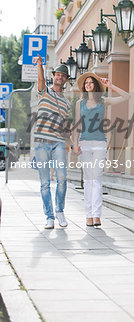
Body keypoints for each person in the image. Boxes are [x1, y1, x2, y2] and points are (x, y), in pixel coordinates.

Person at [72, 72, 129, 227]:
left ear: (95, 86)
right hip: (84, 144)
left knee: (96, 180)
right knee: (88, 181)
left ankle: (96, 215)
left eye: (91, 82)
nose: (88, 85)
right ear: (84, 87)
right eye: (86, 83)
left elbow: (126, 97)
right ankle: (88, 215)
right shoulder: (80, 103)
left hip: (99, 144)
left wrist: (111, 86)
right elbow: (77, 125)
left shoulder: (103, 101)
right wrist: (75, 143)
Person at [34, 54, 71, 229]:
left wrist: (70, 142)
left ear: (65, 80)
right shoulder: (44, 91)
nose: (60, 77)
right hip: (42, 141)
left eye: (63, 76)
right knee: (45, 183)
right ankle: (49, 216)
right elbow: (40, 79)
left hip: (58, 142)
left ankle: (60, 211)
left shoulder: (66, 102)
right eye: (58, 74)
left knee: (62, 178)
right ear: (54, 76)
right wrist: (40, 64)